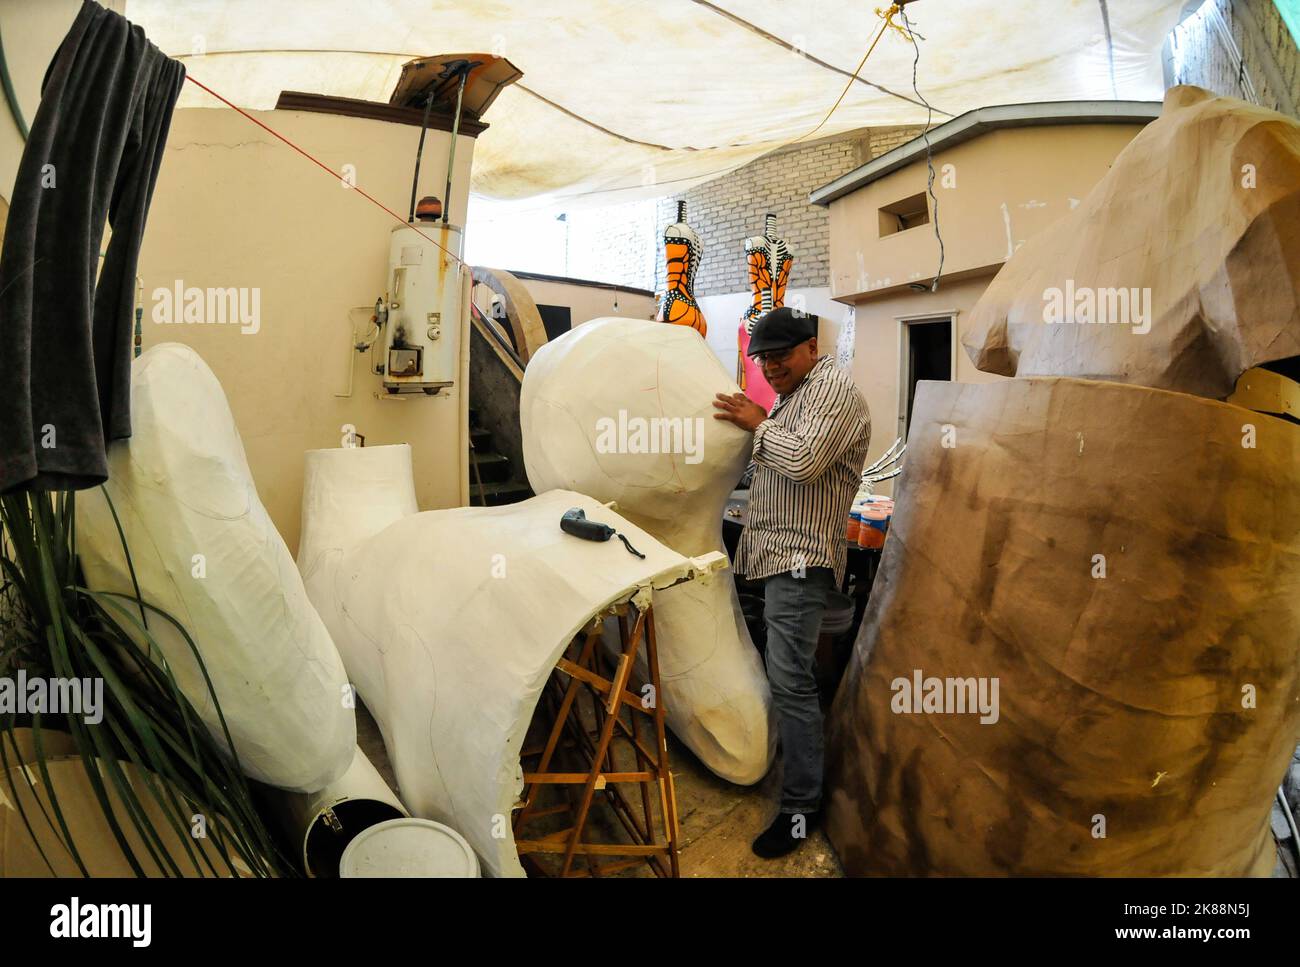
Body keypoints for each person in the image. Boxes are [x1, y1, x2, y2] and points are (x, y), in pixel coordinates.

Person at [712, 306, 871, 858]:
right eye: (762, 358)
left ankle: (801, 806)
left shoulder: (832, 392)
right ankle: (799, 768)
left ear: (810, 347)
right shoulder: (794, 397)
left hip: (800, 559)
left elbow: (802, 462)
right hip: (779, 554)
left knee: (791, 681)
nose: (770, 366)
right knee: (790, 675)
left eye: (779, 355)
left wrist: (757, 423)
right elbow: (777, 464)